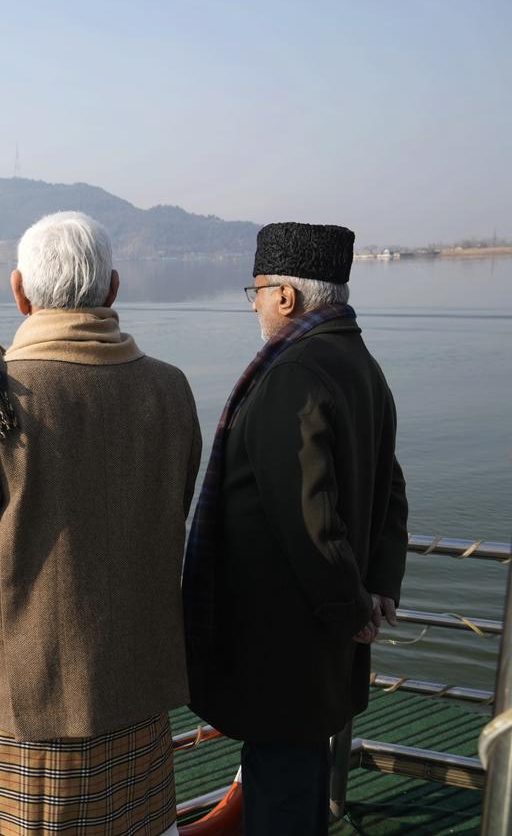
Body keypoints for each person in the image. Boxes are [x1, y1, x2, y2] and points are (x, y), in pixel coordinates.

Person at [0, 211, 202, 836]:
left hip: (22, 708)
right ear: (115, 289)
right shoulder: (171, 389)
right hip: (136, 692)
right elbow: (172, 507)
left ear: (19, 291)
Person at [182, 222, 409, 835]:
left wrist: (349, 608)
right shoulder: (360, 364)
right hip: (322, 643)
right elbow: (391, 485)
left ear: (286, 296)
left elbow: (308, 521)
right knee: (299, 779)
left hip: (284, 642)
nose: (253, 303)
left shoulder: (294, 374)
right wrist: (380, 581)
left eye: (255, 290)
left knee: (280, 787)